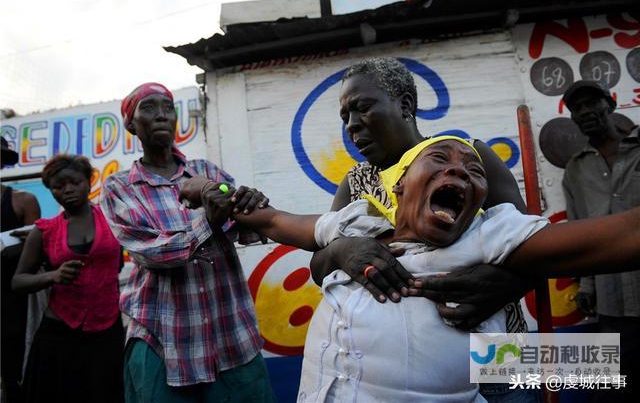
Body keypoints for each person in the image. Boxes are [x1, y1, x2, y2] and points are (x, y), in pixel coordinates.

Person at [180, 136, 640, 402]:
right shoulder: (354, 220)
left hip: (501, 366)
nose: (459, 173)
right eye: (440, 162)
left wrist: (600, 360)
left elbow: (621, 237)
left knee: (600, 360)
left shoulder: (486, 234)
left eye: (472, 171)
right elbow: (272, 220)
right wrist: (204, 187)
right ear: (399, 185)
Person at [308, 57, 534, 400]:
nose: (352, 126)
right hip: (402, 376)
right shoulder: (355, 184)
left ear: (406, 105)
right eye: (345, 117)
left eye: (362, 108)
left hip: (495, 357)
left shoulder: (470, 161)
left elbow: (536, 247)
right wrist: (343, 251)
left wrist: (509, 283)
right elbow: (319, 266)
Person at [100, 82, 275, 403]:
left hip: (230, 334)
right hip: (162, 340)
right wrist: (210, 219)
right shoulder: (119, 187)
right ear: (130, 124)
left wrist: (253, 205)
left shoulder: (206, 172)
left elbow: (247, 229)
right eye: (149, 108)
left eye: (167, 108)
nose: (162, 115)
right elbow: (152, 253)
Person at [11, 154, 124, 403]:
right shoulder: (44, 231)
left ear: (88, 181)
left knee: (106, 393)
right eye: (58, 187)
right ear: (51, 191)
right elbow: (18, 281)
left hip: (106, 330)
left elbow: (116, 266)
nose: (68, 190)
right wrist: (53, 275)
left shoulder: (114, 221)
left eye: (74, 182)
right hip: (59, 334)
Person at [561, 80, 640, 401]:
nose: (585, 112)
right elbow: (581, 231)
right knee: (621, 382)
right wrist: (588, 287)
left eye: (591, 103)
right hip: (611, 299)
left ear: (610, 104)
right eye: (577, 109)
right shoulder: (575, 170)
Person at [1, 136, 41, 403]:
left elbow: (39, 252)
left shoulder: (23, 201)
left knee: (19, 372)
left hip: (14, 302)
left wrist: (20, 245)